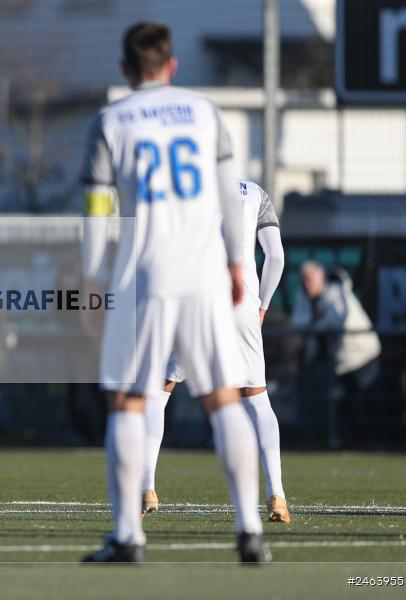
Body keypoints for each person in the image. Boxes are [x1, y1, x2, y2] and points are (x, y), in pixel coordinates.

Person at [79, 23, 268, 563]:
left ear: (124, 69)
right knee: (223, 396)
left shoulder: (111, 121)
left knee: (126, 400)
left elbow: (96, 210)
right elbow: (233, 198)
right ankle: (249, 529)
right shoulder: (205, 112)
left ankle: (127, 536)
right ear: (172, 65)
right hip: (206, 272)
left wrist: (92, 279)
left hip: (144, 275)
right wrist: (237, 261)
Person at [142, 180, 290, 524]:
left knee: (159, 390)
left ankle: (147, 486)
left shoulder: (184, 189)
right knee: (256, 399)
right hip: (242, 304)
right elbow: (277, 257)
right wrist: (263, 305)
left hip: (196, 300)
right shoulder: (255, 194)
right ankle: (277, 496)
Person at [291, 261, 381, 447]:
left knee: (365, 403)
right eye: (305, 281)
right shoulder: (304, 295)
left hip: (363, 355)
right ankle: (354, 443)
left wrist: (314, 324)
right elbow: (298, 322)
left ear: (321, 277)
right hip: (341, 362)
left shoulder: (336, 292)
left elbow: (336, 321)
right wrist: (315, 323)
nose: (308, 285)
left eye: (311, 280)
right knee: (345, 405)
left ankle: (372, 444)